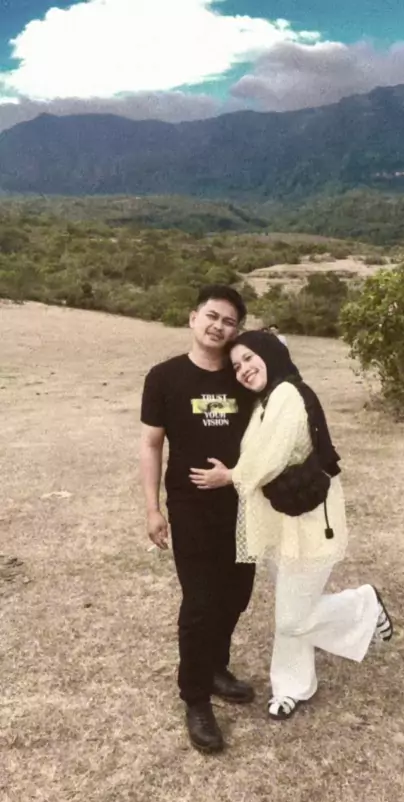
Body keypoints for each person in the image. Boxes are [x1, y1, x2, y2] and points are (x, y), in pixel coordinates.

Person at [190, 331, 393, 721]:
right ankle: (292, 686)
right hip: (280, 519)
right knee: (292, 604)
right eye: (236, 366)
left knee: (291, 617)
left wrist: (230, 476)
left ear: (269, 354)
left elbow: (271, 456)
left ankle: (364, 605)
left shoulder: (288, 394)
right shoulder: (264, 402)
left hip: (310, 522)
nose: (243, 369)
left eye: (249, 358)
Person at [140, 285, 256, 754]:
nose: (218, 326)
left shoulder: (243, 376)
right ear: (193, 318)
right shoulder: (164, 377)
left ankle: (215, 666)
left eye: (229, 321)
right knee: (200, 602)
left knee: (237, 595)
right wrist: (153, 508)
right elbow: (152, 444)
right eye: (212, 316)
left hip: (244, 504)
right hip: (191, 508)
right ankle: (196, 697)